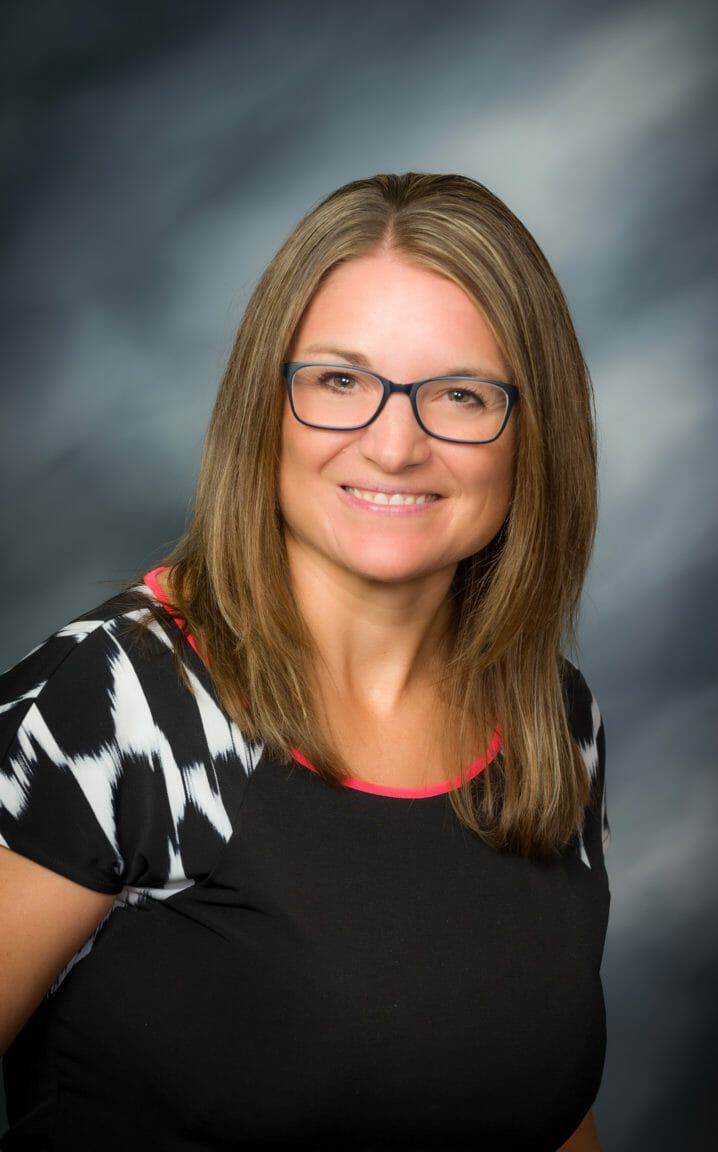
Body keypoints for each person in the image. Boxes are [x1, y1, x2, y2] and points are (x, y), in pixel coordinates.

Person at [0, 173, 610, 1151]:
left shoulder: (554, 724)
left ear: (534, 437)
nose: (396, 444)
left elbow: (542, 1104)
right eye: (340, 381)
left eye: (460, 394)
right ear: (266, 401)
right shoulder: (107, 708)